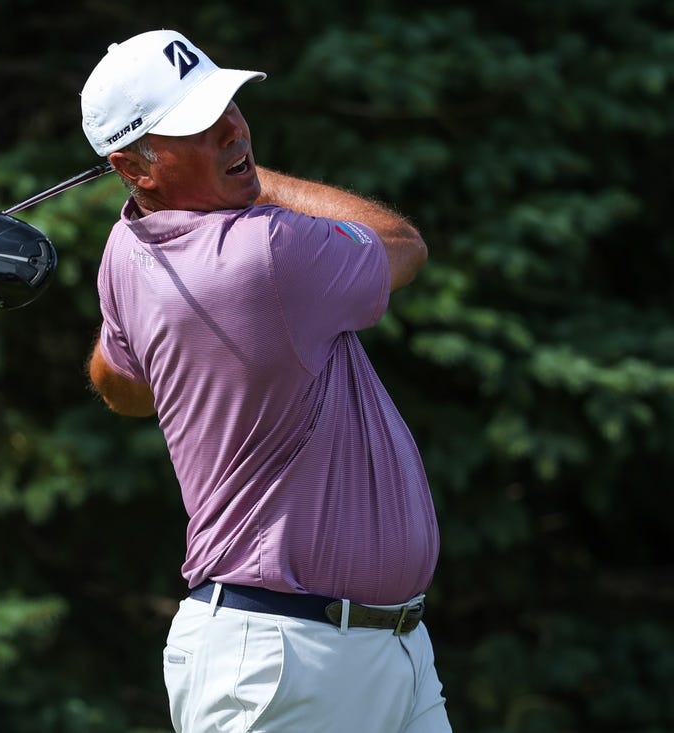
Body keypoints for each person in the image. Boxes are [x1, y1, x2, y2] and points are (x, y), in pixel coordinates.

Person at [80, 29, 452, 733]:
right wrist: (260, 176)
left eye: (228, 105)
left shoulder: (124, 249)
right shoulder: (269, 249)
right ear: (134, 166)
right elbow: (402, 244)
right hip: (281, 660)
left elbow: (123, 385)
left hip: (386, 651)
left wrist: (139, 326)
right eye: (199, 126)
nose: (232, 129)